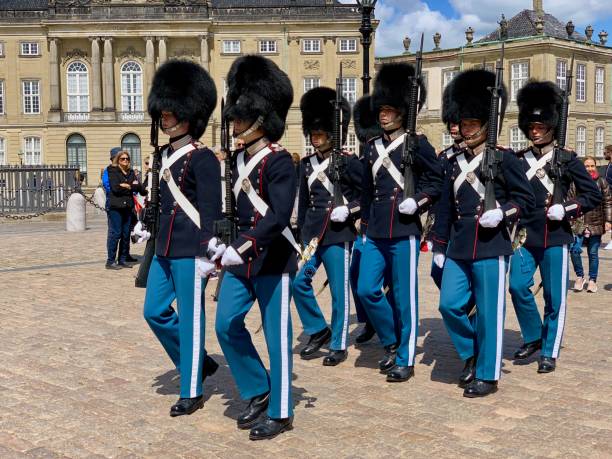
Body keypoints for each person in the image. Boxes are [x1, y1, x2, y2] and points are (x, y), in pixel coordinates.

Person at [433, 69, 535, 397]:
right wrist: (438, 243)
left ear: (485, 126)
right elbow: (445, 206)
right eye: (463, 125)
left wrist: (502, 212)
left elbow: (525, 200)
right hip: (458, 245)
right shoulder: (452, 162)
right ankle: (470, 353)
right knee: (449, 305)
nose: (465, 130)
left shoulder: (505, 159)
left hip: (491, 245)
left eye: (472, 125)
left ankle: (487, 375)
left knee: (490, 313)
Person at [213, 55, 298, 440]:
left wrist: (244, 245)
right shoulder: (238, 159)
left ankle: (281, 411)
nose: (233, 124)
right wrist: (217, 243)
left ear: (259, 118)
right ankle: (257, 388)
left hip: (271, 258)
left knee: (277, 337)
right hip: (239, 259)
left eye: (239, 118)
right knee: (226, 324)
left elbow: (278, 215)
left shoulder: (279, 162)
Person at [140, 60, 223, 417]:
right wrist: (146, 223)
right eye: (164, 109)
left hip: (191, 249)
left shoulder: (203, 159)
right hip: (164, 247)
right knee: (154, 311)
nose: (165, 116)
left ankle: (192, 387)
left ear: (189, 116)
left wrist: (209, 251)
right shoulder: (163, 156)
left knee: (191, 318)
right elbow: (161, 201)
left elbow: (210, 209)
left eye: (172, 111)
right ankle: (198, 361)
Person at [355, 63, 443, 383]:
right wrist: (363, 228)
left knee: (405, 297)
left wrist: (418, 201)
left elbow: (436, 180)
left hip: (403, 228)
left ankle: (405, 357)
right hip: (376, 229)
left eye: (390, 110)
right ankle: (391, 339)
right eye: (382, 109)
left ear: (403, 112)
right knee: (366, 289)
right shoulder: (371, 147)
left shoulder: (417, 144)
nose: (383, 114)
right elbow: (366, 191)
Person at [509, 81, 602, 374]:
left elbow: (592, 195)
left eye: (540, 126)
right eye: (531, 127)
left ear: (551, 126)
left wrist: (569, 208)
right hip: (524, 235)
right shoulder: (518, 159)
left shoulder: (567, 159)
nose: (535, 131)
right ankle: (534, 335)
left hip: (555, 235)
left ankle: (549, 350)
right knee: (517, 287)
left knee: (554, 297)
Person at [293, 86, 362, 366]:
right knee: (299, 283)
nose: (315, 138)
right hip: (313, 236)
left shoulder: (348, 162)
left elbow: (364, 198)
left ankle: (339, 342)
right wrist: (301, 237)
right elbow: (304, 201)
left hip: (338, 234)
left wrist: (349, 210)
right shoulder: (307, 165)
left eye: (320, 134)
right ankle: (318, 329)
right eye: (313, 134)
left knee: (338, 291)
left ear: (331, 135)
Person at [570, 156, 611, 293]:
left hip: (596, 222)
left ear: (596, 167)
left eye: (592, 166)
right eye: (586, 166)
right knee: (575, 250)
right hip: (579, 223)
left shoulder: (602, 182)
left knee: (593, 253)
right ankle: (580, 276)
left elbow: (608, 202)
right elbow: (570, 201)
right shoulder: (575, 183)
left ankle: (592, 280)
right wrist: (570, 220)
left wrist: (608, 221)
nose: (589, 169)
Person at [106, 150, 146, 269]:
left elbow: (138, 187)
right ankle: (110, 261)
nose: (125, 161)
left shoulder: (131, 172)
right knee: (116, 233)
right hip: (116, 207)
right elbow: (115, 188)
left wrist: (128, 185)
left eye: (127, 159)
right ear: (118, 159)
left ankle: (122, 259)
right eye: (122, 159)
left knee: (126, 233)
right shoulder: (112, 170)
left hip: (128, 207)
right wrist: (130, 186)